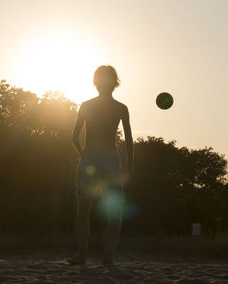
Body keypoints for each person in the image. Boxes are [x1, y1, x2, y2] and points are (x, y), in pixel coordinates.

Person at [67, 65, 134, 265]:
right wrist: (130, 163)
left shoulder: (86, 105)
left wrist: (84, 155)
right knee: (114, 211)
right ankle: (108, 256)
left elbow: (74, 137)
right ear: (115, 83)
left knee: (83, 210)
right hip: (110, 162)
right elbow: (129, 139)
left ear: (96, 82)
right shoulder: (121, 108)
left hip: (89, 160)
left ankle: (82, 256)